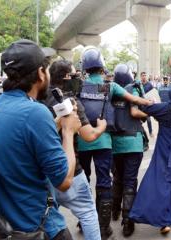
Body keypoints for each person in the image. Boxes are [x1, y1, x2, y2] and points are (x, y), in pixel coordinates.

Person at [0, 39, 81, 239]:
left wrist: (55, 123)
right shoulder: (35, 113)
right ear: (41, 73)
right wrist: (68, 131)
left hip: (4, 227)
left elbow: (20, 140)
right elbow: (64, 181)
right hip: (38, 227)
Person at [77, 47, 151, 238]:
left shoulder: (79, 86)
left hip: (83, 139)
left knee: (84, 180)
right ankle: (104, 227)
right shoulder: (110, 86)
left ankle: (84, 219)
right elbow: (133, 100)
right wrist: (149, 104)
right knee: (105, 182)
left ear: (84, 67)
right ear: (102, 67)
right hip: (103, 140)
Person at [43, 59, 107, 240]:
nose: (79, 78)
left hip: (43, 171)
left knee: (49, 214)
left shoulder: (39, 97)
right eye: (75, 75)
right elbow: (89, 135)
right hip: (69, 169)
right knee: (87, 212)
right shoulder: (70, 101)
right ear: (66, 76)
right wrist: (102, 126)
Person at [129, 87, 171, 234]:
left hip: (164, 149)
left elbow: (145, 107)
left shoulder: (164, 108)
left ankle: (164, 219)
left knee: (160, 181)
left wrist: (150, 102)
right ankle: (168, 208)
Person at [110, 64, 148, 237]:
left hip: (115, 143)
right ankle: (128, 222)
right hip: (133, 141)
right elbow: (134, 111)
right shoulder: (133, 88)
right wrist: (147, 113)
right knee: (130, 181)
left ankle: (114, 211)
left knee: (117, 178)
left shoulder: (111, 90)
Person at [140, 71, 154, 137]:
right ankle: (140, 132)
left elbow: (153, 93)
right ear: (141, 76)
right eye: (142, 75)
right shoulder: (139, 84)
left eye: (145, 75)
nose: (144, 77)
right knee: (139, 120)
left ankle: (150, 132)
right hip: (140, 104)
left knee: (148, 119)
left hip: (147, 104)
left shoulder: (150, 85)